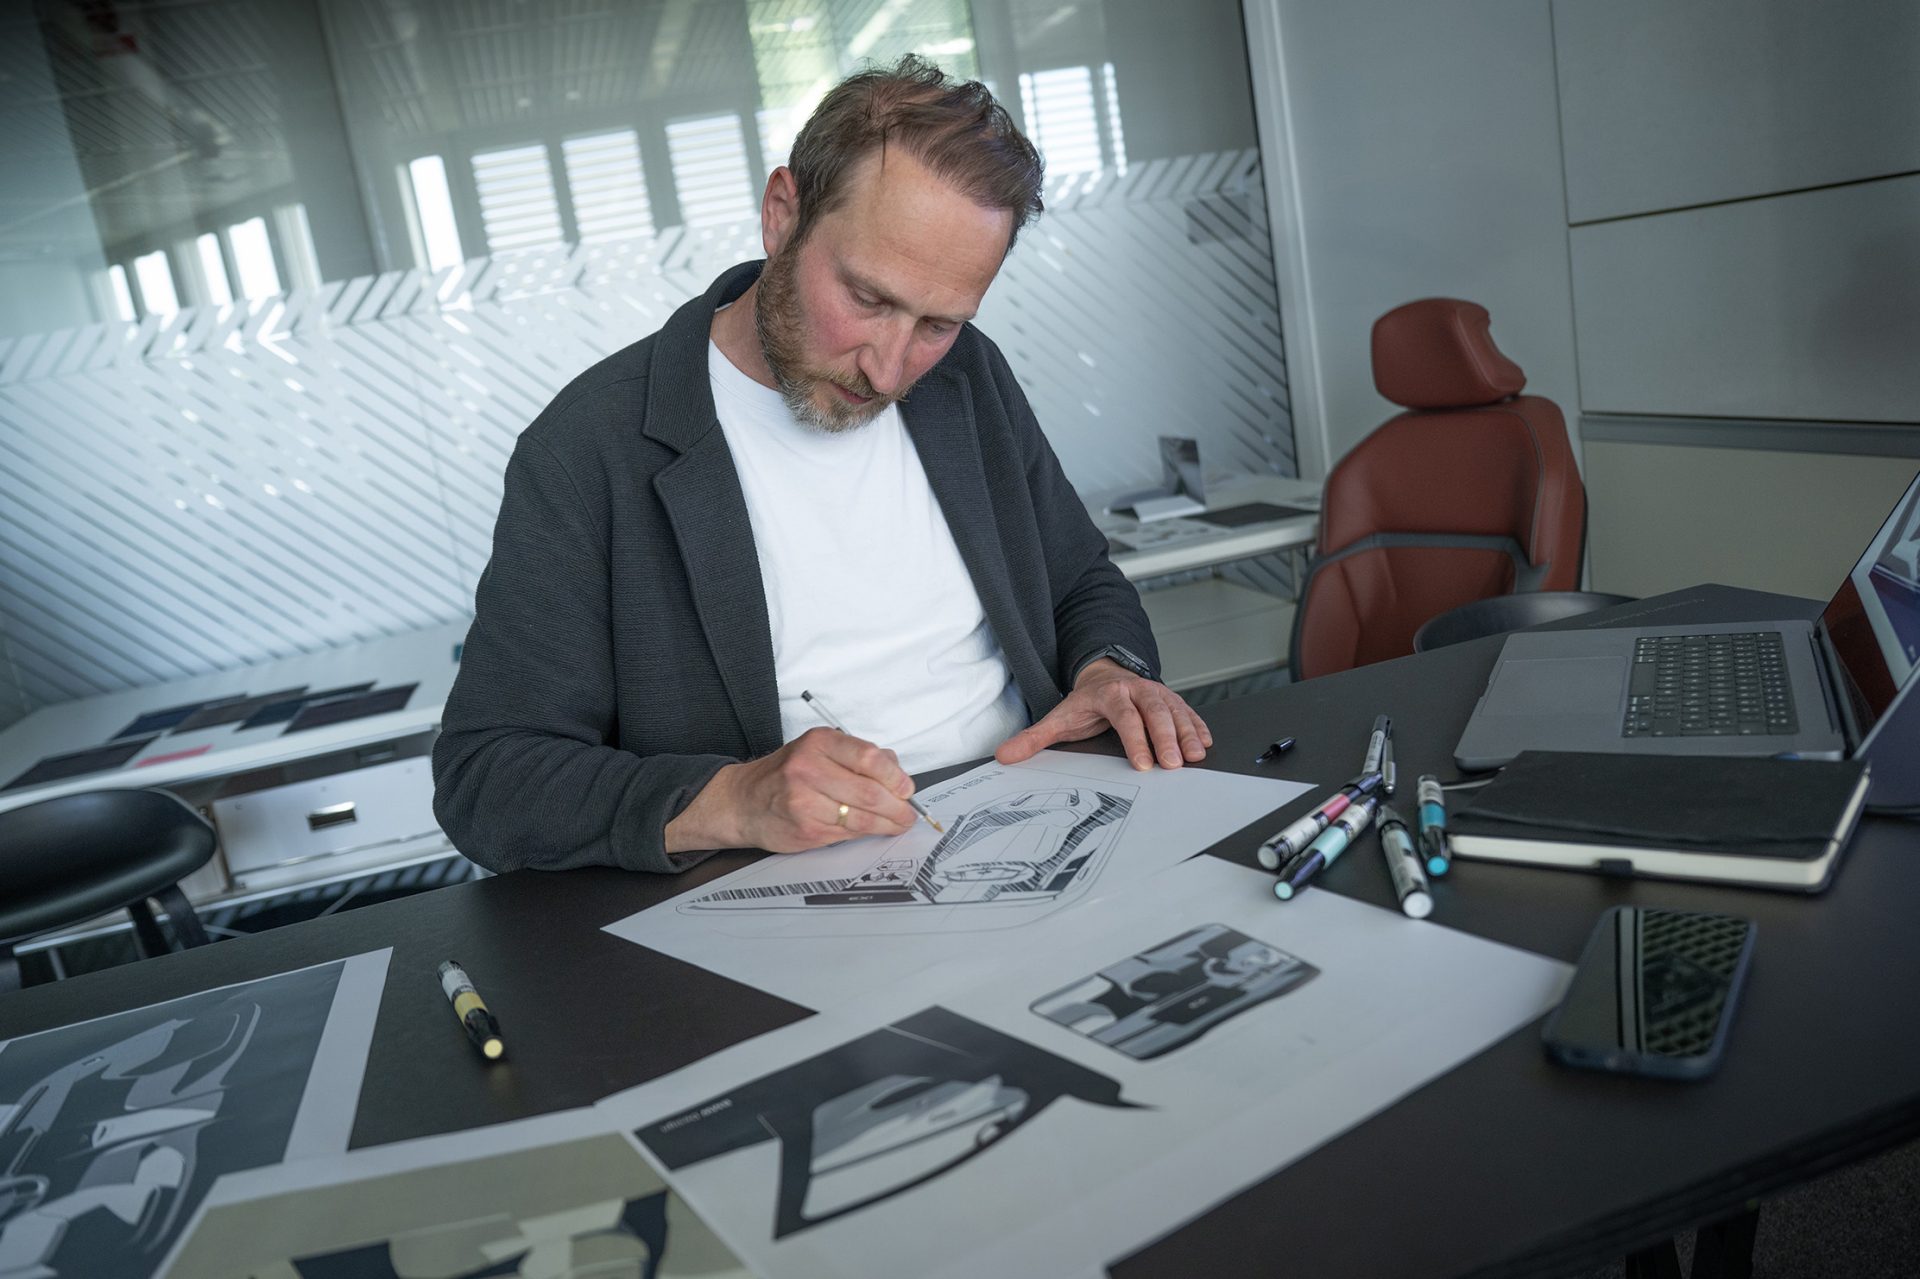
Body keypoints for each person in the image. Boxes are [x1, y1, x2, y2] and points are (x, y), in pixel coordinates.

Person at [433, 56, 1210, 875]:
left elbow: (1079, 578)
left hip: (1038, 829)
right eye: (868, 300)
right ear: (782, 215)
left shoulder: (967, 375)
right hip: (801, 891)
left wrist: (1106, 672)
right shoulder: (590, 448)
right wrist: (732, 799)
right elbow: (488, 779)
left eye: (937, 323)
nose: (889, 369)